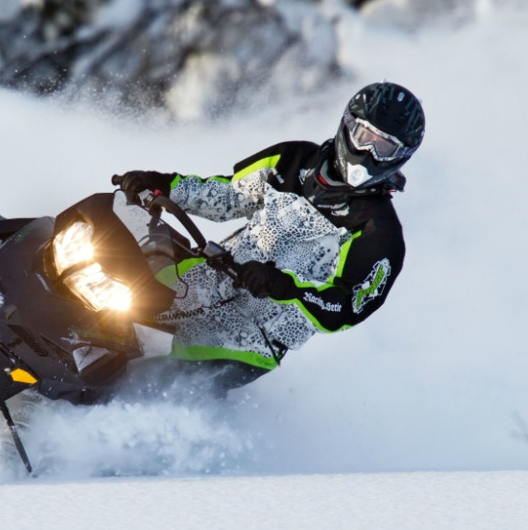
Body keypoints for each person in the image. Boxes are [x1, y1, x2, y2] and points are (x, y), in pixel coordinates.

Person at [112, 81, 425, 394]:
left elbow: (345, 308)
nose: (368, 151)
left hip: (247, 341)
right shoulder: (291, 158)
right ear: (347, 125)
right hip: (203, 278)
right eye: (364, 135)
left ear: (400, 156)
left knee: (145, 382)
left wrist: (283, 285)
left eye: (383, 147)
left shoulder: (379, 234)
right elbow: (227, 195)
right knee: (106, 291)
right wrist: (162, 186)